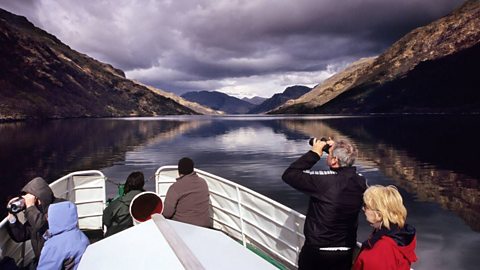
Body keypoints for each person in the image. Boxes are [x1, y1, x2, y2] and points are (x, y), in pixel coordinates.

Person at [282, 138, 367, 270]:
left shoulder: (324, 182)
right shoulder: (361, 181)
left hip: (317, 252)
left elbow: (290, 175)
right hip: (345, 251)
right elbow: (344, 172)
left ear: (334, 160)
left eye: (330, 154)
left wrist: (314, 153)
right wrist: (338, 149)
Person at [353, 185, 417, 270]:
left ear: (379, 215)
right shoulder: (401, 235)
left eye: (366, 206)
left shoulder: (380, 251)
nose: (363, 209)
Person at [6, 177, 64, 268]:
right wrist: (12, 217)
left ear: (39, 197)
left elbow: (42, 225)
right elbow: (21, 235)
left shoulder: (60, 207)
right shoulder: (36, 212)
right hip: (42, 260)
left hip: (58, 261)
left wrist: (30, 207)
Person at [37, 201, 89, 270]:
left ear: (54, 217)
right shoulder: (80, 235)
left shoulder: (54, 246)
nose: (47, 219)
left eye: (49, 216)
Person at [163, 157, 212, 228]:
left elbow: (167, 213)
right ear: (192, 169)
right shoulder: (203, 182)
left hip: (184, 227)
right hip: (205, 226)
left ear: (179, 171)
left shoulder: (175, 187)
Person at [102, 171, 145, 237]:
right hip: (143, 235)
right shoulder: (152, 200)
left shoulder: (118, 203)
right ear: (142, 184)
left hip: (117, 237)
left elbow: (106, 220)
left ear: (128, 184)